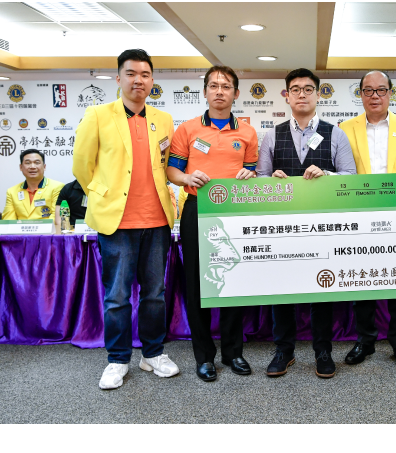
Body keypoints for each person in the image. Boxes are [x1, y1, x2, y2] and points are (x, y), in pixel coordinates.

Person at [73, 49, 179, 390]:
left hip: (157, 220)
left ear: (152, 80)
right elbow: (82, 165)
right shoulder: (98, 115)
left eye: (145, 75)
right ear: (118, 78)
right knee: (117, 296)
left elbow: (164, 164)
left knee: (155, 294)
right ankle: (118, 359)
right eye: (131, 74)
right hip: (116, 222)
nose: (138, 80)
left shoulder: (163, 119)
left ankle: (153, 353)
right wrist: (102, 193)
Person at [256, 67, 357, 378]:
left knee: (321, 289)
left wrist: (327, 175)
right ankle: (283, 350)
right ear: (287, 96)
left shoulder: (336, 133)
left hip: (321, 227)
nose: (302, 94)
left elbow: (350, 178)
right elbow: (259, 180)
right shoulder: (272, 135)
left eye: (308, 89)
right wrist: (271, 180)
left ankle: (322, 351)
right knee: (281, 289)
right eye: (296, 89)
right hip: (282, 227)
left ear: (318, 94)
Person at [167, 65, 258, 382]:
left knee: (234, 281)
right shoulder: (188, 129)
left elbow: (253, 170)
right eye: (214, 85)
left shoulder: (247, 132)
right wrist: (186, 178)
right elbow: (172, 171)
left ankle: (233, 353)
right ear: (205, 91)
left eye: (226, 86)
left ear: (236, 93)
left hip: (235, 212)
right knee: (197, 284)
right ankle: (204, 357)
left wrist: (251, 174)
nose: (220, 91)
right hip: (197, 209)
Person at [340, 70, 396, 371]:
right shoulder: (345, 128)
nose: (375, 96)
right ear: (360, 94)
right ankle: (365, 340)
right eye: (368, 90)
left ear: (391, 93)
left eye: (381, 90)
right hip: (360, 220)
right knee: (362, 284)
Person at [3, 149, 63, 220]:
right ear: (21, 167)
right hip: (21, 227)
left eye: (37, 163)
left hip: (48, 227)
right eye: (28, 163)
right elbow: (9, 220)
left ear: (44, 167)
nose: (32, 167)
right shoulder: (12, 191)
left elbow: (56, 217)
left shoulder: (57, 187)